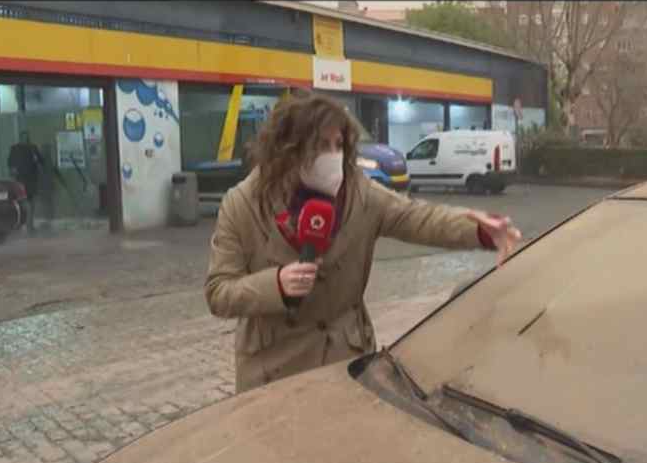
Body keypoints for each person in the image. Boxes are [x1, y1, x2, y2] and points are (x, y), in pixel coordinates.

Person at [205, 92, 522, 393]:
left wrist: (478, 230)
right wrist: (275, 284)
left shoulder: (360, 193)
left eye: (338, 145)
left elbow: (418, 217)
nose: (333, 156)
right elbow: (219, 293)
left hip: (346, 362)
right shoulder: (243, 204)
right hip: (273, 373)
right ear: (290, 148)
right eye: (321, 145)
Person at [8, 131, 45, 231]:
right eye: (23, 137)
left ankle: (29, 224)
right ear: (20, 138)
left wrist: (37, 160)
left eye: (26, 137)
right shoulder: (15, 148)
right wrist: (13, 171)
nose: (25, 139)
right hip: (21, 180)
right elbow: (10, 162)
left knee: (31, 202)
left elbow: (41, 161)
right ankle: (22, 224)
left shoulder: (32, 148)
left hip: (31, 179)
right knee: (23, 202)